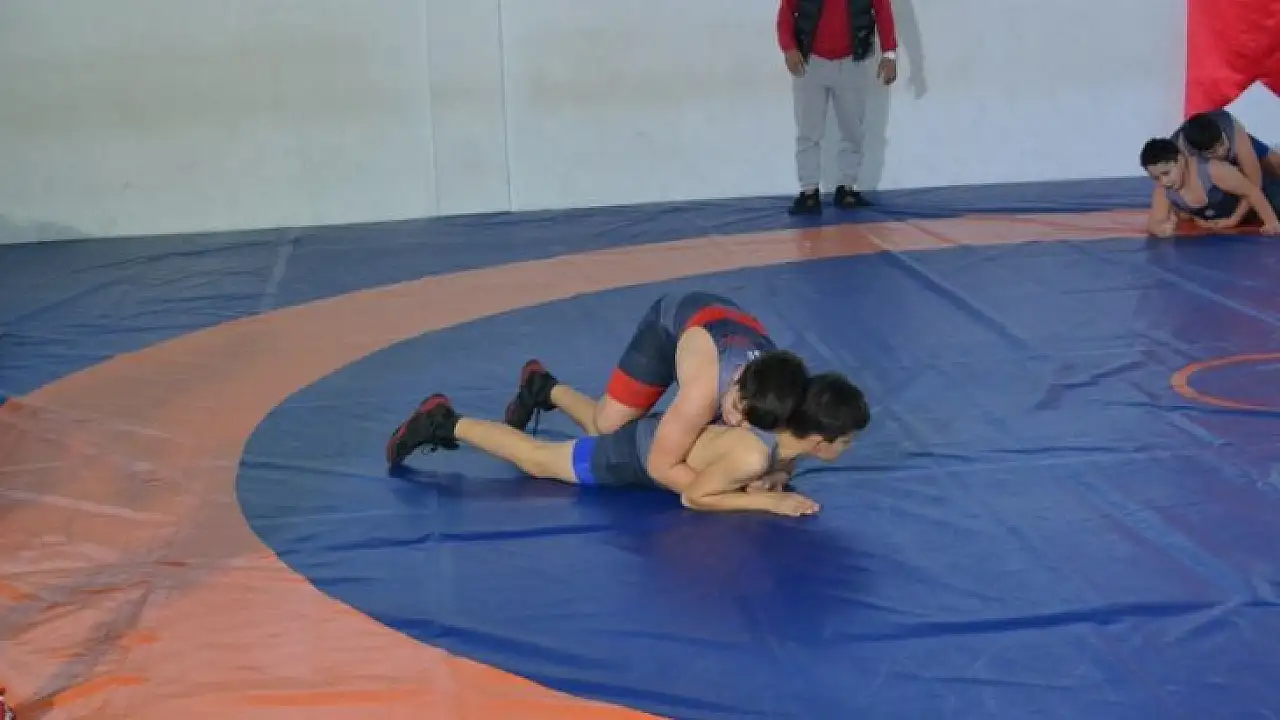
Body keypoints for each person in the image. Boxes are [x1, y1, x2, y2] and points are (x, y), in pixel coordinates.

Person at [384, 371, 871, 517]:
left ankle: (544, 388)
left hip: (660, 435)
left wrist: (777, 478)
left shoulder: (779, 431)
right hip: (636, 456)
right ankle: (443, 422)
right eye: (845, 441)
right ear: (818, 439)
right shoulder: (752, 453)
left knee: (601, 428)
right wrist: (770, 502)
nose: (848, 448)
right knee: (538, 460)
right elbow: (695, 496)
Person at [500, 292, 810, 492]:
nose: (736, 421)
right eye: (736, 408)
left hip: (727, 329)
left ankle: (543, 386)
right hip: (671, 325)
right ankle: (543, 387)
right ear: (739, 378)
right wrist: (729, 493)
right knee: (609, 427)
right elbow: (660, 466)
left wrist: (778, 476)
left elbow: (786, 448)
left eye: (748, 419)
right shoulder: (704, 391)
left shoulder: (778, 394)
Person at [777, 0, 900, 215]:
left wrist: (889, 54)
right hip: (810, 61)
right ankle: (809, 192)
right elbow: (786, 11)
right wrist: (788, 48)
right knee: (808, 132)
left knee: (853, 131)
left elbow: (883, 9)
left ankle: (847, 188)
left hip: (852, 61)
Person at [1140, 137, 1280, 238]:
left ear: (1181, 160)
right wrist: (1160, 229)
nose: (1164, 181)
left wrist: (1271, 222)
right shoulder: (1164, 190)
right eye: (1156, 177)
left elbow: (1252, 191)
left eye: (1166, 173)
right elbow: (1155, 221)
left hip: (1267, 198)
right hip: (1235, 220)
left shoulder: (1211, 170)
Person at [1172, 110, 1280, 187]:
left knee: (1275, 161)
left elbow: (1255, 182)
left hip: (1239, 144)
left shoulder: (1231, 125)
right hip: (1208, 171)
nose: (1221, 152)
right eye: (1213, 151)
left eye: (1222, 143)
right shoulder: (1180, 156)